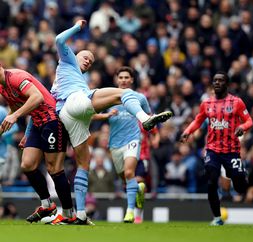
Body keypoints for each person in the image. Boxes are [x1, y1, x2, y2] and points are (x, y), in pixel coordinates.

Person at [51, 19, 172, 225]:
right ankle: (145, 118)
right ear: (76, 54)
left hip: (69, 114)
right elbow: (59, 39)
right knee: (124, 93)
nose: (89, 61)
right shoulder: (68, 59)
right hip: (74, 103)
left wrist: (103, 116)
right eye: (86, 56)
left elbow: (83, 112)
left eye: (91, 60)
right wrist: (77, 28)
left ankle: (80, 214)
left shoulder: (73, 78)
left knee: (83, 164)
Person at [0, 65, 75, 224]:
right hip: (36, 123)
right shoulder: (2, 87)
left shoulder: (16, 77)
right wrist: (3, 127)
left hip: (52, 119)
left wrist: (15, 117)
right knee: (27, 165)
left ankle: (69, 214)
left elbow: (37, 97)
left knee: (54, 168)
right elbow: (14, 106)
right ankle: (47, 205)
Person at [180, 71, 253, 226]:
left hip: (232, 150)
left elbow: (249, 121)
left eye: (220, 81)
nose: (217, 83)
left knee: (240, 187)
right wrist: (187, 131)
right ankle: (217, 218)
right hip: (213, 149)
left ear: (227, 84)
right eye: (215, 81)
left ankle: (242, 176)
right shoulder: (206, 103)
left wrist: (242, 127)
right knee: (212, 181)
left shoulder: (236, 102)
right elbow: (198, 121)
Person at [94, 66, 149, 223]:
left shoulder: (140, 98)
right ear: (116, 80)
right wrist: (107, 115)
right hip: (115, 144)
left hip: (132, 140)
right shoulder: (109, 98)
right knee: (125, 178)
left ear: (131, 80)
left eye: (127, 77)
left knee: (129, 173)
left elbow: (148, 117)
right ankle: (138, 189)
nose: (124, 80)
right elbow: (91, 113)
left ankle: (130, 212)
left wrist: (150, 134)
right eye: (121, 77)